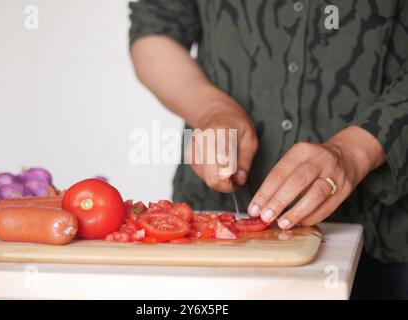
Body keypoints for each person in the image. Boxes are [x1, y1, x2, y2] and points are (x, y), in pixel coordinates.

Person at [128, 0, 408, 299]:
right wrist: (212, 110)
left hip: (384, 237)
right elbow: (154, 30)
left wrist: (358, 150)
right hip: (209, 226)